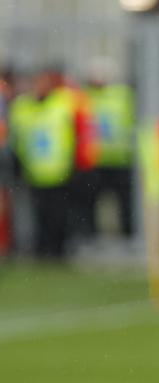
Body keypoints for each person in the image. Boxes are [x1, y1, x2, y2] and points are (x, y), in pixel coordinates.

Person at [8, 65, 96, 260]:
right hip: (34, 171)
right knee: (39, 215)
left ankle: (59, 250)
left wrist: (80, 162)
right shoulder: (23, 107)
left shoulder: (65, 102)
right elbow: (17, 137)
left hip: (60, 170)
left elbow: (81, 129)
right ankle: (42, 250)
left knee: (59, 215)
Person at [81, 58, 135, 240]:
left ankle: (128, 235)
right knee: (90, 200)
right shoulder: (84, 97)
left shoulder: (122, 95)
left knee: (125, 200)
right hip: (95, 159)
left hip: (120, 158)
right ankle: (91, 236)